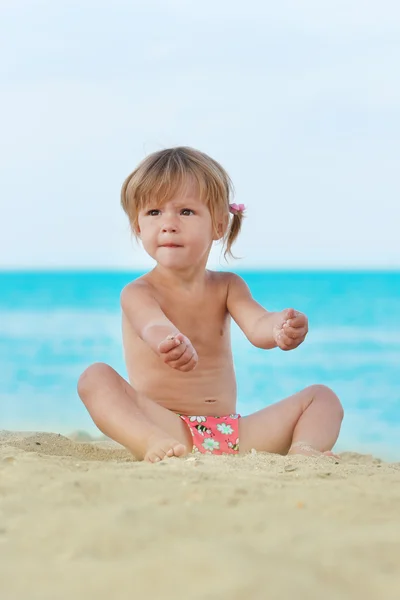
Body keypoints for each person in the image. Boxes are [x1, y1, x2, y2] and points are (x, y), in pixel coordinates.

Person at [77, 146, 343, 463]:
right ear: (138, 226)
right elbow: (151, 325)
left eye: (186, 212)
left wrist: (280, 328)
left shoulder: (228, 286)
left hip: (234, 434)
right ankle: (148, 442)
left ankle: (304, 452)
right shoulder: (139, 291)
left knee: (322, 398)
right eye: (154, 212)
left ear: (218, 225)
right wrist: (169, 342)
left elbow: (258, 325)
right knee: (95, 378)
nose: (168, 223)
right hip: (167, 426)